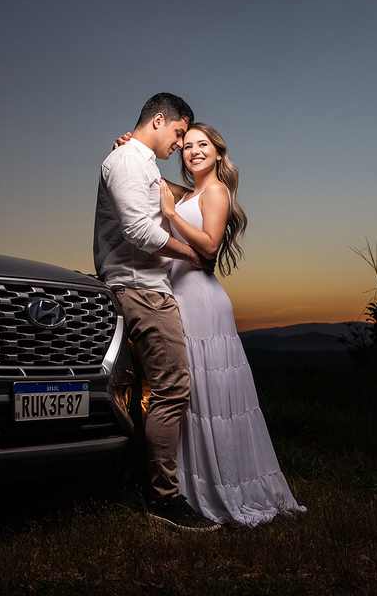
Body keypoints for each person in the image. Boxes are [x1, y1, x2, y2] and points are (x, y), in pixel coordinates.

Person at [117, 123, 305, 527]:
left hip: (202, 300)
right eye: (186, 145)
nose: (193, 151)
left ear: (218, 153)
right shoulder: (190, 192)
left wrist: (170, 214)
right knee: (189, 397)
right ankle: (186, 486)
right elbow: (154, 179)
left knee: (210, 396)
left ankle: (224, 484)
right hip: (178, 297)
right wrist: (132, 147)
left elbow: (209, 245)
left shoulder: (217, 191)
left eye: (202, 144)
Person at [95, 93, 219, 532]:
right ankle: (164, 499)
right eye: (180, 133)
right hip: (142, 289)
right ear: (160, 120)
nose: (181, 144)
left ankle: (137, 478)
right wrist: (191, 254)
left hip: (145, 287)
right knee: (172, 388)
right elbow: (138, 230)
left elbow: (176, 198)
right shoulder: (128, 160)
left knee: (143, 389)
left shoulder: (139, 161)